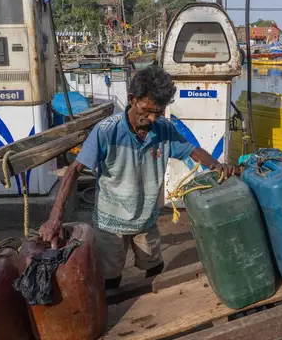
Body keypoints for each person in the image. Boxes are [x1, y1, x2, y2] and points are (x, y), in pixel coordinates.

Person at [39, 66, 237, 289]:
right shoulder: (106, 131)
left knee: (155, 270)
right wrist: (54, 217)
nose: (152, 118)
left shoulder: (164, 128)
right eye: (148, 110)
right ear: (132, 99)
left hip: (146, 220)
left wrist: (217, 165)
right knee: (110, 279)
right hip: (109, 224)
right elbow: (74, 170)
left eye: (158, 113)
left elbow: (192, 150)